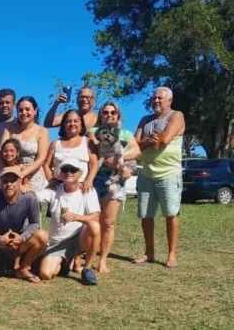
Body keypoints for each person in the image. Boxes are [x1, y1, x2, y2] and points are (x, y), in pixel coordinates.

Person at [133, 87, 185, 269]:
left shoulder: (176, 115)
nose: (155, 100)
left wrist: (151, 141)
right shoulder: (145, 120)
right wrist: (150, 140)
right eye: (154, 97)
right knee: (146, 216)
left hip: (169, 174)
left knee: (170, 214)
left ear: (169, 100)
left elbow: (165, 140)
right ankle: (149, 252)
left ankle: (171, 254)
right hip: (147, 174)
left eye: (159, 98)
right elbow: (134, 145)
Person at [87, 101, 141, 273]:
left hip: (115, 180)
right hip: (95, 178)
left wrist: (119, 160)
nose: (109, 115)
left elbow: (137, 151)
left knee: (108, 223)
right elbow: (93, 150)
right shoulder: (93, 131)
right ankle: (89, 256)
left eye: (113, 113)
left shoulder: (125, 133)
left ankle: (103, 260)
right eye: (106, 112)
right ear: (101, 115)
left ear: (118, 116)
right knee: (91, 221)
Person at [0, 166, 49, 283]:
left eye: (13, 181)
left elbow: (34, 223)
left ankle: (23, 268)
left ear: (20, 182)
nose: (9, 184)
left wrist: (22, 237)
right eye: (5, 181)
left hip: (16, 244)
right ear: (0, 182)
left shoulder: (29, 198)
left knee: (42, 235)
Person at [37, 159, 101, 286]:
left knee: (94, 226)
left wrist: (77, 217)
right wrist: (24, 187)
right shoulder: (54, 189)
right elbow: (35, 197)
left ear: (80, 173)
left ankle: (87, 269)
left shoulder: (87, 190)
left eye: (73, 170)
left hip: (78, 239)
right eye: (65, 170)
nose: (68, 173)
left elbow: (95, 217)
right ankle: (66, 262)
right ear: (60, 174)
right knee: (46, 274)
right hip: (57, 242)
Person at [0, 96, 50, 195]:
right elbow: (0, 152)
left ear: (35, 110)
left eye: (27, 109)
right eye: (20, 110)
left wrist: (22, 174)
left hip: (34, 176)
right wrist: (9, 172)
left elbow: (41, 159)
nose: (24, 113)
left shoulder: (42, 131)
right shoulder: (9, 129)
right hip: (11, 176)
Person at [43, 109, 98, 194]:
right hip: (58, 187)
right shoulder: (55, 143)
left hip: (81, 187)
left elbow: (94, 164)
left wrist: (89, 180)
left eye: (76, 121)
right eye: (68, 121)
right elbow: (46, 165)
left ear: (81, 124)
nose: (72, 124)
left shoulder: (87, 142)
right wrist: (51, 180)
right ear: (63, 125)